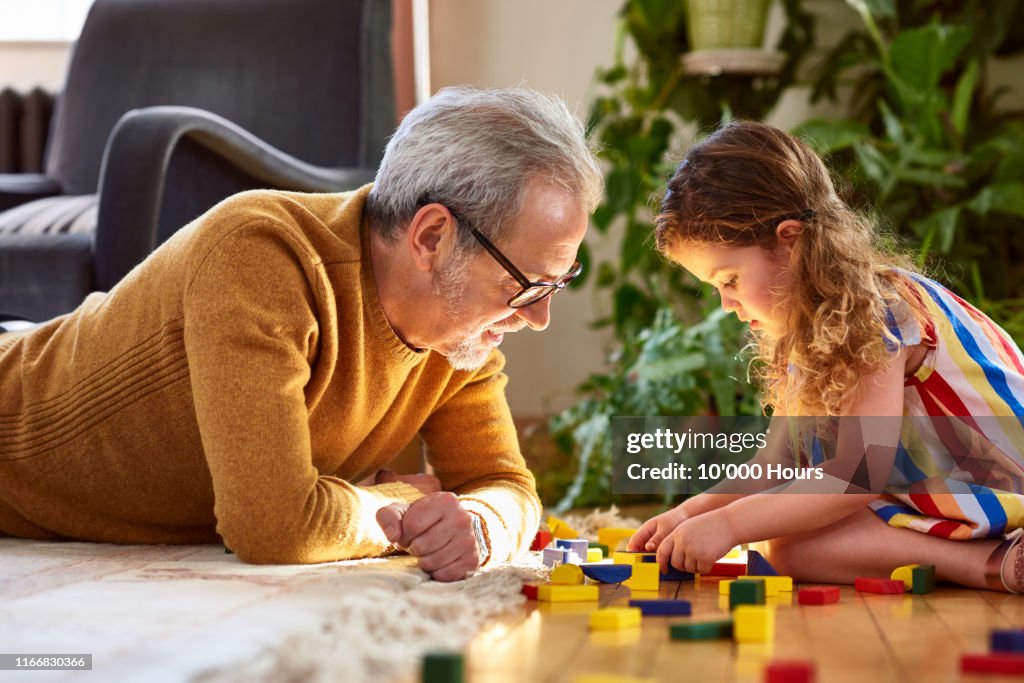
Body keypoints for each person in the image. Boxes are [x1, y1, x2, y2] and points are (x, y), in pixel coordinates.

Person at [0, 86, 603, 582]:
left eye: (557, 283)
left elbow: (506, 485)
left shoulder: (459, 336)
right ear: (431, 237)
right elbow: (273, 526)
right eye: (526, 284)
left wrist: (477, 523)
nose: (537, 316)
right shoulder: (261, 255)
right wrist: (401, 504)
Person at [629, 120, 1024, 592]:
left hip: (1003, 486)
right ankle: (990, 559)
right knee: (786, 546)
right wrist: (691, 513)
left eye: (729, 279)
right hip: (948, 496)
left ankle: (994, 563)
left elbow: (857, 476)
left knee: (784, 536)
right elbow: (775, 466)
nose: (727, 304)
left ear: (790, 241)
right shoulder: (808, 329)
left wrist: (730, 526)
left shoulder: (876, 310)